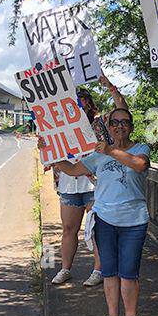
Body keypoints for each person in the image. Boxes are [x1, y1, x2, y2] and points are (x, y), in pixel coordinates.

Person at [53, 107, 151, 316]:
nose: (119, 126)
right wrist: (52, 155)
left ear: (131, 127)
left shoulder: (141, 149)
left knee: (129, 273)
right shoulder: (98, 155)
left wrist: (110, 150)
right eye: (114, 122)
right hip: (105, 220)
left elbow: (139, 165)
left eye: (124, 122)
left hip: (134, 220)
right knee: (109, 272)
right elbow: (74, 169)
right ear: (108, 127)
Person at [50, 74, 129, 286]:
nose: (78, 106)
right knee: (68, 229)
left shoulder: (100, 123)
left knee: (96, 229)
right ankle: (65, 268)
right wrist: (44, 148)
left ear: (89, 104)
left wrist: (109, 86)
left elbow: (122, 109)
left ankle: (98, 270)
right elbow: (50, 153)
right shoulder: (59, 128)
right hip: (68, 183)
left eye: (82, 101)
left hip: (95, 184)